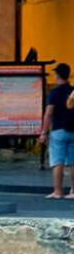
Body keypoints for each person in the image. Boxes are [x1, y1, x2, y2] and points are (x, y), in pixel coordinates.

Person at [45, 63, 74, 199]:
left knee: (58, 162)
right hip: (73, 129)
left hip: (58, 130)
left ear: (57, 75)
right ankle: (73, 191)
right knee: (73, 162)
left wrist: (44, 132)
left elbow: (49, 113)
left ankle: (58, 191)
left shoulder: (55, 92)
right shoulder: (72, 91)